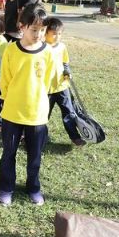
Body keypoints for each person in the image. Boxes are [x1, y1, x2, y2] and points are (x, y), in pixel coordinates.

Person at [0, 3, 54, 206]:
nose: (38, 34)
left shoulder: (48, 52)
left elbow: (48, 81)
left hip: (37, 113)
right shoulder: (11, 50)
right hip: (12, 112)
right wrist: (9, 99)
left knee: (34, 157)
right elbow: (5, 80)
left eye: (41, 30)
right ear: (21, 26)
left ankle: (33, 187)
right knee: (8, 154)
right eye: (34, 30)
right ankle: (6, 187)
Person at [44, 17, 86, 146]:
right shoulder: (41, 48)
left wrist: (67, 71)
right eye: (54, 34)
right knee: (43, 115)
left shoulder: (62, 47)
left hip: (62, 86)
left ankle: (74, 137)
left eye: (60, 34)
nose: (57, 37)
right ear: (45, 33)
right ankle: (39, 136)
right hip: (46, 89)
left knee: (69, 112)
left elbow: (65, 62)